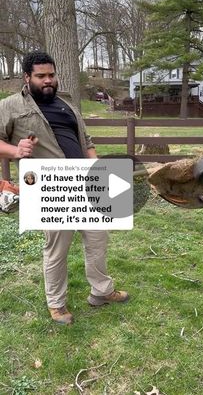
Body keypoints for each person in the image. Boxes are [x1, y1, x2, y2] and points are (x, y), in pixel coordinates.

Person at [0, 51, 129, 325]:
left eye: (51, 75)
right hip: (49, 188)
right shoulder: (10, 105)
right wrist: (15, 149)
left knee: (97, 240)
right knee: (57, 247)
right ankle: (56, 304)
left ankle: (101, 291)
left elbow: (87, 140)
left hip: (84, 181)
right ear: (27, 77)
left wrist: (98, 171)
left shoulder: (66, 102)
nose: (48, 80)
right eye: (41, 76)